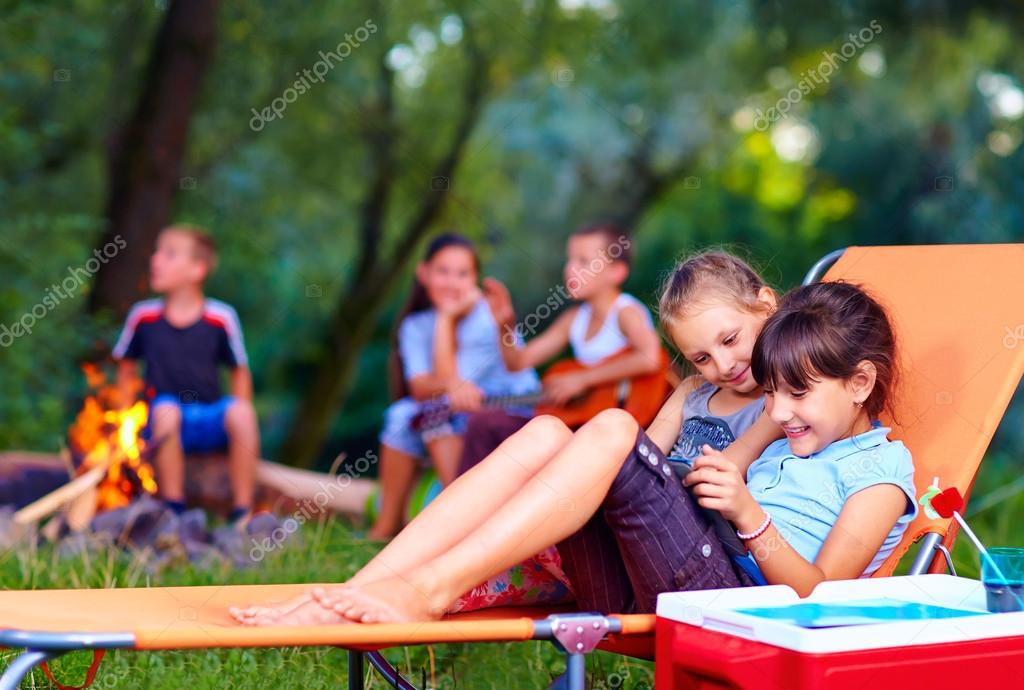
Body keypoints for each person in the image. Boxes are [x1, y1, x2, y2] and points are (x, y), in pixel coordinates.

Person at [233, 259, 915, 626]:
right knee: (546, 433)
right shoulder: (772, 406)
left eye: (795, 393)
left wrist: (748, 512)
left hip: (722, 595)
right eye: (704, 356)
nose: (780, 402)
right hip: (660, 566)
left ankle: (429, 588)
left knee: (612, 430)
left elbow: (820, 596)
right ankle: (361, 586)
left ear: (859, 382)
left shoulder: (866, 460)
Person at [368, 233, 540, 540]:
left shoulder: (485, 316)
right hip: (462, 406)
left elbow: (452, 386)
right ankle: (385, 525)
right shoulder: (416, 325)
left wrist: (447, 321)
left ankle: (457, 514)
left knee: (436, 412)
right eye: (443, 271)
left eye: (463, 274)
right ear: (423, 274)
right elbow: (425, 387)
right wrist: (445, 319)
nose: (452, 282)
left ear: (475, 279)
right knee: (399, 415)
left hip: (509, 404)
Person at [458, 221, 663, 477]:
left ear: (617, 272)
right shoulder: (574, 319)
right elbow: (518, 362)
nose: (570, 269)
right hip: (577, 425)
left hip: (612, 432)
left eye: (583, 261)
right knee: (485, 424)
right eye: (570, 260)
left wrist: (583, 378)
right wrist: (504, 326)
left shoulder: (626, 312)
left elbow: (650, 357)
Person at [114, 225, 259, 523]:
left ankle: (243, 511)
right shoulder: (143, 317)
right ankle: (174, 509)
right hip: (161, 420)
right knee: (167, 409)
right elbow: (126, 369)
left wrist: (240, 414)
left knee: (242, 413)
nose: (156, 260)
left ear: (197, 269)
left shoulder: (221, 317)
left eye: (169, 254)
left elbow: (239, 372)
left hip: (209, 417)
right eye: (157, 252)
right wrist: (123, 425)